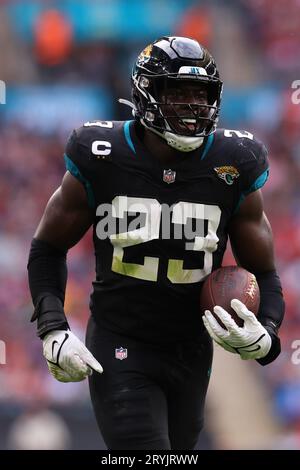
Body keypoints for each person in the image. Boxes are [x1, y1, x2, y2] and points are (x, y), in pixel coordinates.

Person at [27, 36, 285, 450]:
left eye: (200, 96)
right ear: (146, 94)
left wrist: (267, 334)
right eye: (178, 93)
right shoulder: (101, 153)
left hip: (191, 348)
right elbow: (47, 248)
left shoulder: (234, 162)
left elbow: (266, 270)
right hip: (119, 340)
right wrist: (52, 327)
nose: (192, 107)